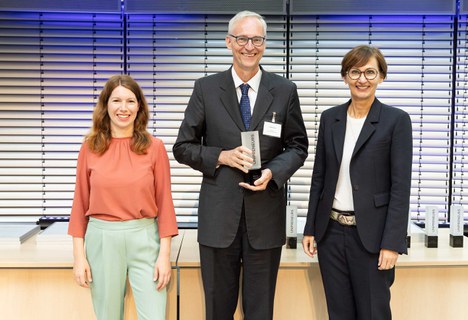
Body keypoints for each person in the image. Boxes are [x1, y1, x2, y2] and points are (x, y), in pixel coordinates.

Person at [173, 10, 308, 320]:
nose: (250, 46)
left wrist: (274, 172)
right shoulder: (206, 89)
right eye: (242, 39)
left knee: (260, 312)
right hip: (219, 219)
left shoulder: (284, 90)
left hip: (266, 217)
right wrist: (221, 156)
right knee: (218, 310)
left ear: (264, 43)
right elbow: (183, 147)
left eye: (257, 39)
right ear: (229, 42)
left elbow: (298, 145)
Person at [302, 45, 412, 320]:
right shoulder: (331, 118)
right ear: (345, 77)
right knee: (339, 313)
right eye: (355, 72)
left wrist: (392, 243)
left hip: (372, 238)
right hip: (331, 234)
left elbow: (401, 188)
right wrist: (311, 228)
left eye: (370, 72)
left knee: (373, 313)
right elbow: (320, 176)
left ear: (381, 77)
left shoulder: (396, 120)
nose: (362, 79)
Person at [68, 74, 178, 320]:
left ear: (139, 106)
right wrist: (79, 257)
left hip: (146, 239)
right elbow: (80, 203)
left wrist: (164, 256)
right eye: (116, 101)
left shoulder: (155, 147)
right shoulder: (89, 148)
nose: (123, 108)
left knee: (154, 315)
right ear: (105, 105)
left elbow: (164, 203)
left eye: (130, 101)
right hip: (102, 240)